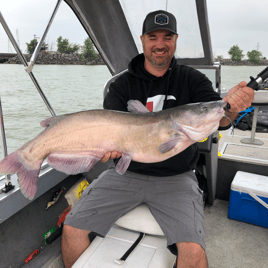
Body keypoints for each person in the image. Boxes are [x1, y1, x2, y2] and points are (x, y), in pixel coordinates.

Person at [61, 10, 254, 268]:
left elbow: (217, 118)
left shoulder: (193, 79)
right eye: (153, 37)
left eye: (167, 37)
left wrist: (230, 107)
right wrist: (105, 149)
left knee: (194, 253)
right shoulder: (121, 85)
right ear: (142, 40)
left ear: (175, 40)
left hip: (178, 177)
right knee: (72, 229)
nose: (160, 44)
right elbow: (110, 133)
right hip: (126, 173)